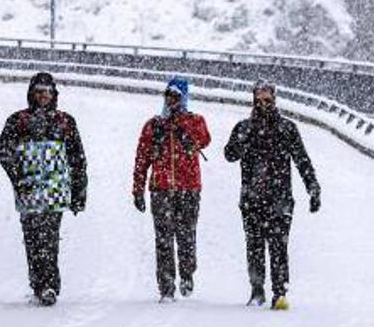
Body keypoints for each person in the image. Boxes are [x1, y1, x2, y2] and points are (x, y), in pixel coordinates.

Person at [224, 80, 321, 310]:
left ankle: (279, 292)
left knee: (279, 246)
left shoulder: (286, 128)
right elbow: (229, 154)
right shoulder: (243, 128)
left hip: (280, 198)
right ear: (253, 100)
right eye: (258, 100)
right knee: (255, 246)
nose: (262, 104)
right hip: (251, 198)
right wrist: (241, 140)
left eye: (266, 100)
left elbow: (302, 160)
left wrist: (313, 188)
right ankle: (257, 291)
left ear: (274, 100)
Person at [0, 72, 88, 306]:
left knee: (49, 239)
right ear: (31, 93)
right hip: (27, 192)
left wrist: (79, 192)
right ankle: (38, 283)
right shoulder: (17, 121)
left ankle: (49, 285)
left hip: (55, 193)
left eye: (47, 92)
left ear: (53, 94)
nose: (43, 96)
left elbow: (77, 159)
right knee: (32, 239)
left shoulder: (65, 121)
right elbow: (4, 153)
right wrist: (18, 178)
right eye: (39, 91)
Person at [131, 76, 211, 302]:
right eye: (169, 96)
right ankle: (166, 287)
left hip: (189, 188)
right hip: (161, 188)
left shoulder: (195, 120)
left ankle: (187, 273)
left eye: (177, 96)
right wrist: (138, 188)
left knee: (187, 236)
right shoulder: (154, 125)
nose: (172, 101)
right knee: (163, 238)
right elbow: (142, 158)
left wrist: (184, 129)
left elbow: (205, 139)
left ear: (185, 98)